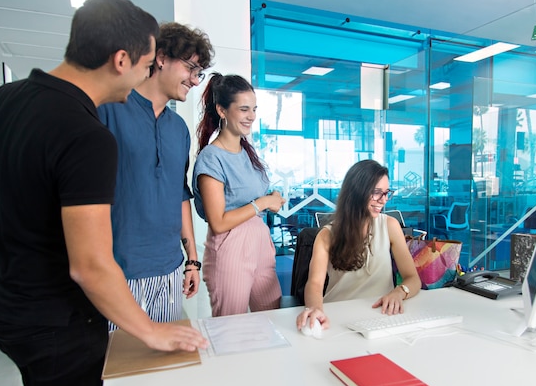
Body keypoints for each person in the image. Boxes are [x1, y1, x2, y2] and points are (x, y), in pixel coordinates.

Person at [0, 0, 207, 386]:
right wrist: (150, 332)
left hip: (2, 307)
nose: (148, 72)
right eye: (147, 62)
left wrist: (190, 257)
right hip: (62, 317)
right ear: (122, 60)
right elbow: (89, 265)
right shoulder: (89, 128)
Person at [98, 23, 214, 330]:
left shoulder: (178, 129)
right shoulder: (109, 111)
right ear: (161, 57)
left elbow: (179, 194)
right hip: (120, 270)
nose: (194, 79)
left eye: (199, 72)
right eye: (191, 68)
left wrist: (191, 258)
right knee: (119, 368)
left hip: (170, 269)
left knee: (162, 367)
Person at [192, 73, 285, 317]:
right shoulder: (211, 158)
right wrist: (263, 202)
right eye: (244, 109)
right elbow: (219, 221)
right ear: (222, 110)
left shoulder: (247, 152)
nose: (251, 116)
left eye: (253, 109)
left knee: (271, 323)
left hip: (260, 243)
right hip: (231, 246)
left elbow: (249, 196)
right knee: (230, 330)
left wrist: (271, 197)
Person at [296, 160, 421, 332]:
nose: (383, 200)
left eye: (386, 193)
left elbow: (413, 278)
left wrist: (399, 292)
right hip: (339, 317)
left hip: (381, 316)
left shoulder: (390, 226)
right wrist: (315, 308)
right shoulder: (327, 235)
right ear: (357, 193)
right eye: (377, 193)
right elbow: (314, 284)